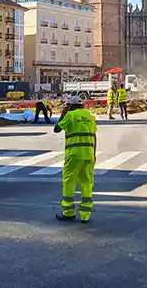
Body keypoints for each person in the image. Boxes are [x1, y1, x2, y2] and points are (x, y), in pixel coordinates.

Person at [53, 95, 97, 223]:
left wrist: (63, 113)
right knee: (87, 183)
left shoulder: (70, 116)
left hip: (74, 155)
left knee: (69, 182)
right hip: (89, 154)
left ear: (70, 106)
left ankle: (68, 212)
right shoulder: (90, 117)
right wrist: (93, 154)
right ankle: (85, 215)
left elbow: (56, 129)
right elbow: (94, 136)